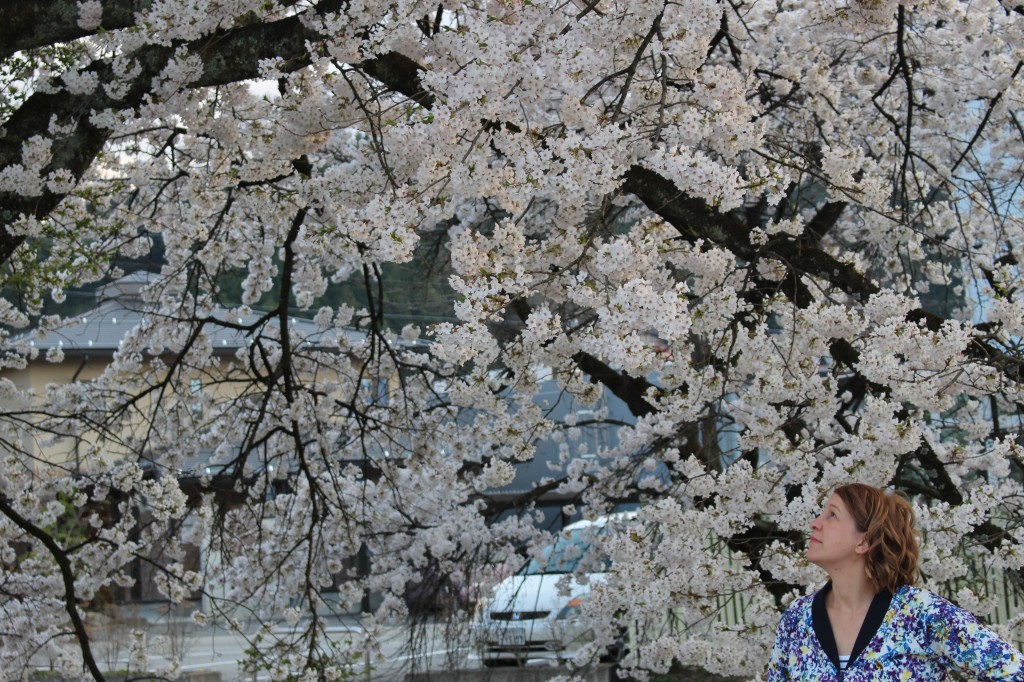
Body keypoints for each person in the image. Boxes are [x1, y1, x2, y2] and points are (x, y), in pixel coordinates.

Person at [766, 482, 1024, 680]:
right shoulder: (797, 620)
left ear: (864, 541)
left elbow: (1012, 670)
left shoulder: (921, 614)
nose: (814, 524)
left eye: (832, 515)